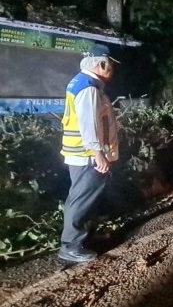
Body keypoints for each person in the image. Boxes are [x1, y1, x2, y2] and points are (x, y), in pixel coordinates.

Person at [58, 44, 120, 263]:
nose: (113, 70)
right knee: (82, 198)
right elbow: (89, 125)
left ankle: (84, 240)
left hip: (83, 153)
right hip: (86, 155)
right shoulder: (88, 88)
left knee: (87, 196)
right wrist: (98, 154)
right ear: (101, 64)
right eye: (111, 65)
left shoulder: (82, 83)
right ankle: (71, 246)